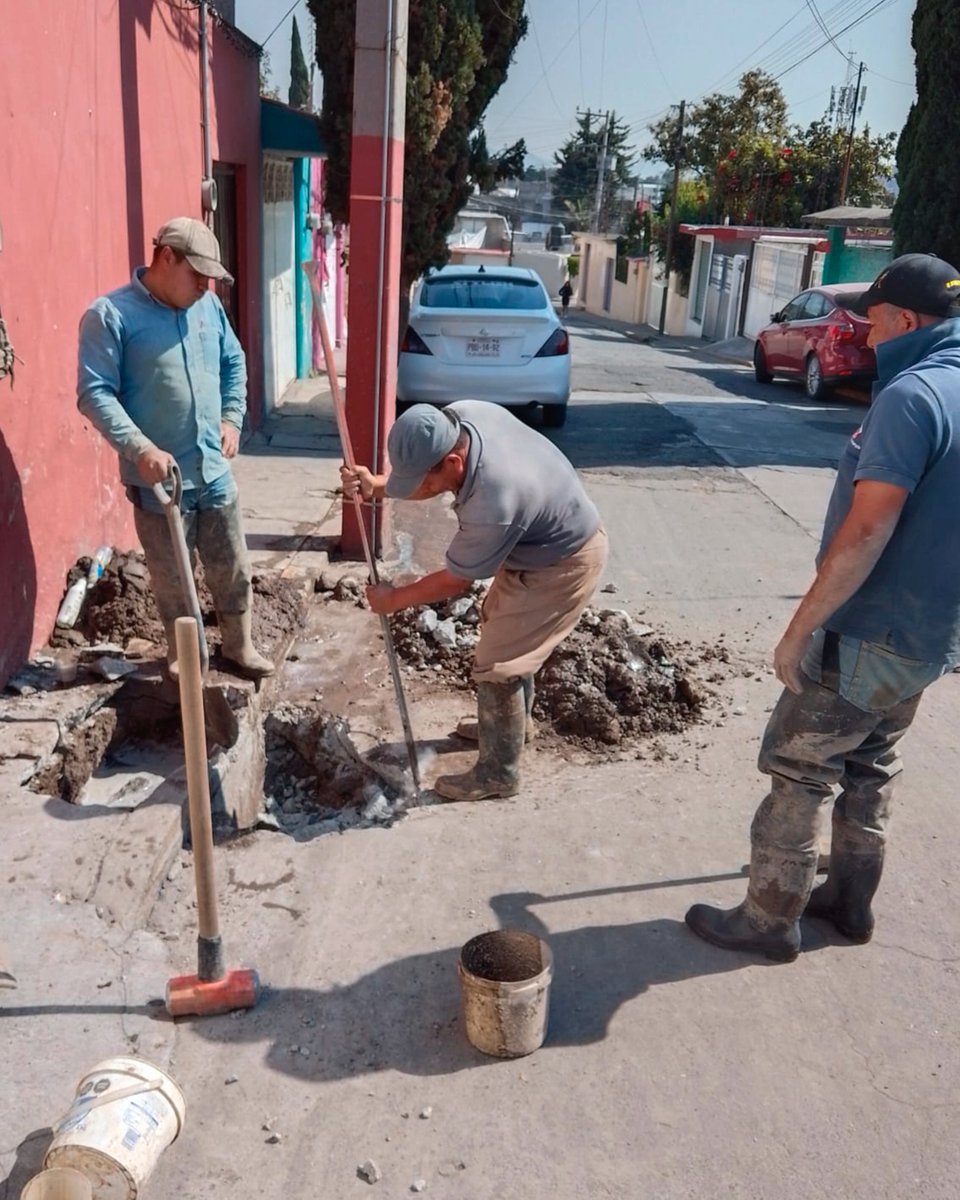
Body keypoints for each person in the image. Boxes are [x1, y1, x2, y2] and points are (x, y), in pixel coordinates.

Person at [686, 253, 960, 963]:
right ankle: (848, 901)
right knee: (872, 762)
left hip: (870, 630)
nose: (867, 340)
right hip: (927, 637)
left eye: (873, 324)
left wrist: (799, 629)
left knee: (800, 765)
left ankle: (770, 919)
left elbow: (868, 530)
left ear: (904, 320)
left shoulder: (914, 397)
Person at [341, 401, 607, 802]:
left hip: (564, 561)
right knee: (504, 633)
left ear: (453, 461)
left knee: (499, 663)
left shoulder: (494, 501)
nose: (420, 487)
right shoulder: (463, 415)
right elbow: (433, 481)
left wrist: (394, 599)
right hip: (537, 543)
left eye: (422, 479)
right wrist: (378, 486)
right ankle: (514, 728)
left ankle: (499, 773)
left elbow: (456, 581)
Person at [77, 217, 273, 681]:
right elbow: (95, 393)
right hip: (161, 484)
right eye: (198, 275)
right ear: (166, 257)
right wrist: (139, 447)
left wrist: (231, 417)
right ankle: (185, 655)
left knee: (232, 565)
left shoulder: (208, 310)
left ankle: (239, 646)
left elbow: (233, 361)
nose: (207, 287)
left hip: (213, 469)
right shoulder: (111, 317)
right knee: (172, 578)